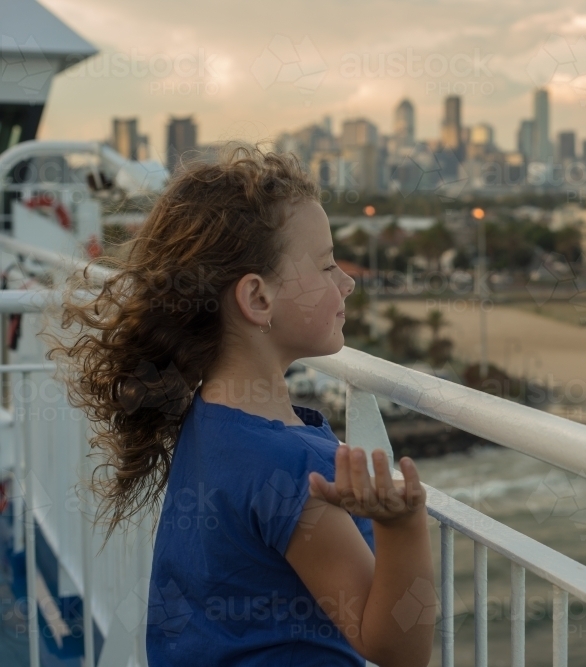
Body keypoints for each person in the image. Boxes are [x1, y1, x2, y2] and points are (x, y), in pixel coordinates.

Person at [46, 144, 436, 666]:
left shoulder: (206, 421)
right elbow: (397, 649)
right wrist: (403, 526)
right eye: (325, 266)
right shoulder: (296, 469)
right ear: (257, 299)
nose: (346, 281)